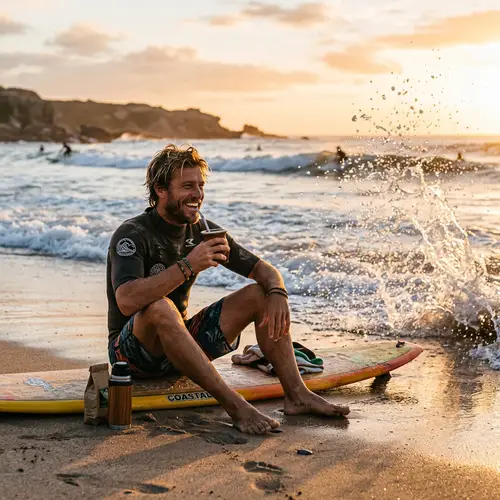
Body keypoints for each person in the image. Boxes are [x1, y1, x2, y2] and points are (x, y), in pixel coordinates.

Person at [107, 144, 350, 435]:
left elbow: (265, 271)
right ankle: (235, 406)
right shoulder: (132, 234)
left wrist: (278, 293)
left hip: (180, 350)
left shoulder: (202, 231)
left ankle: (297, 394)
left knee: (259, 294)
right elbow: (126, 300)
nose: (197, 195)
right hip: (131, 357)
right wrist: (188, 265)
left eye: (200, 185)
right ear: (161, 190)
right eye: (187, 186)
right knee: (161, 307)